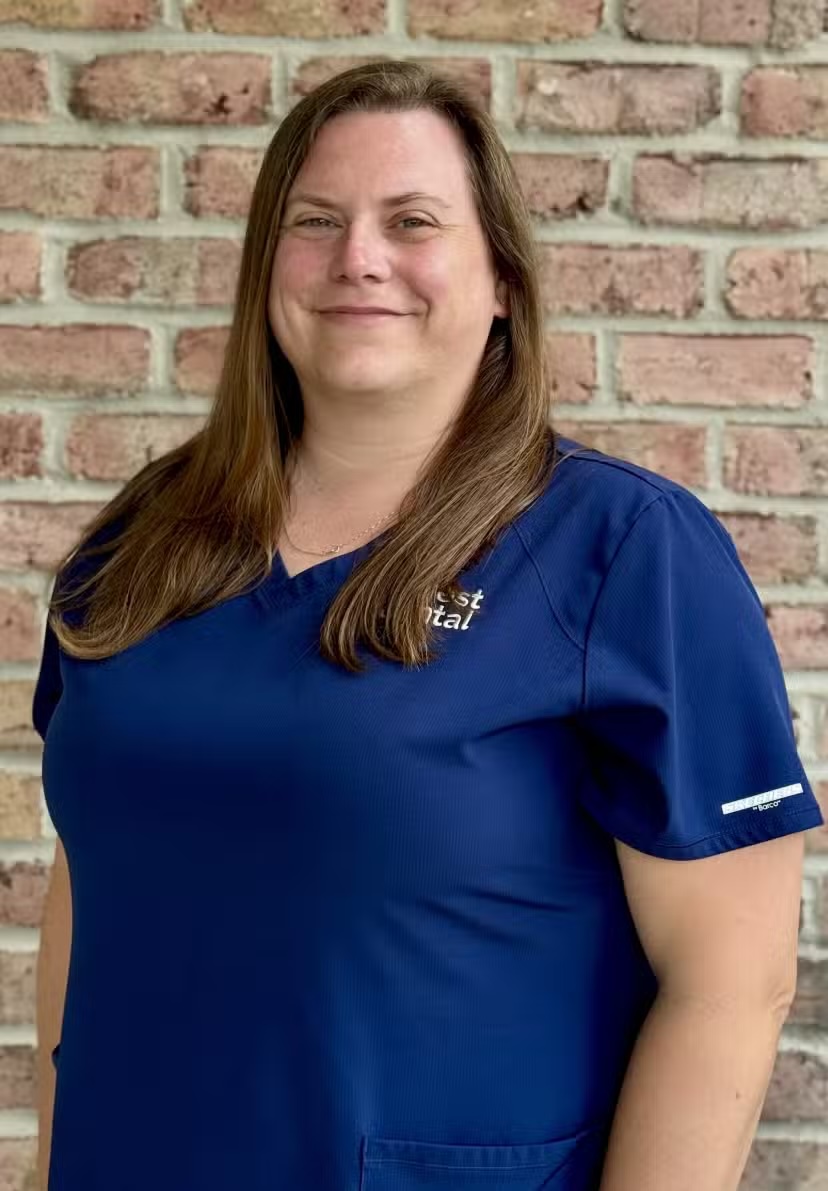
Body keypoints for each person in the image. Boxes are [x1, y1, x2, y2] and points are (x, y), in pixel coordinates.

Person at [33, 59, 822, 1191]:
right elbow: (88, 877)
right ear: (267, 269)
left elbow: (734, 983)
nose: (358, 257)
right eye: (315, 222)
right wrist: (52, 1153)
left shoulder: (623, 549)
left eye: (412, 221)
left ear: (500, 275)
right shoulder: (144, 540)